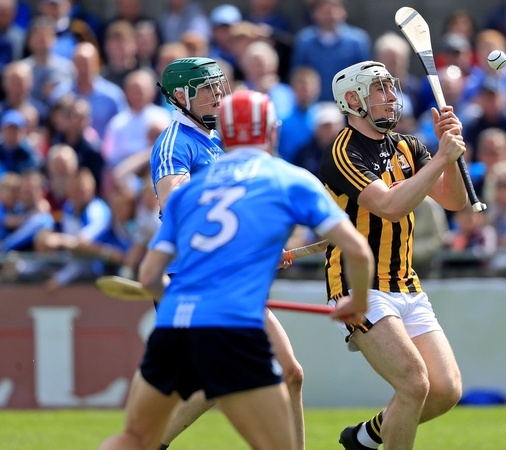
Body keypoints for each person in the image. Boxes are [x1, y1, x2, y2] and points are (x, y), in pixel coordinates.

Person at [99, 90, 374, 450]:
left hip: (174, 325)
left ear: (224, 133)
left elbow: (150, 276)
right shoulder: (291, 179)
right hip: (234, 325)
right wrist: (360, 303)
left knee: (134, 439)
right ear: (272, 134)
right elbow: (358, 251)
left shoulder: (188, 190)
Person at [148, 58, 307, 449]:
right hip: (195, 279)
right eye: (208, 89)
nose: (220, 96)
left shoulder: (221, 141)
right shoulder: (173, 144)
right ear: (181, 97)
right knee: (215, 382)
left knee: (291, 373)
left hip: (234, 277)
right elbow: (180, 213)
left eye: (220, 86)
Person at [320, 60, 467, 450]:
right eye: (379, 90)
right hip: (359, 285)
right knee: (413, 383)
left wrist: (447, 156)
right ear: (352, 100)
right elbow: (387, 206)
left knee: (446, 389)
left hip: (404, 281)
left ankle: (367, 438)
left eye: (390, 88)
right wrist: (439, 159)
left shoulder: (408, 145)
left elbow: (454, 200)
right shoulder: (342, 152)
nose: (391, 98)